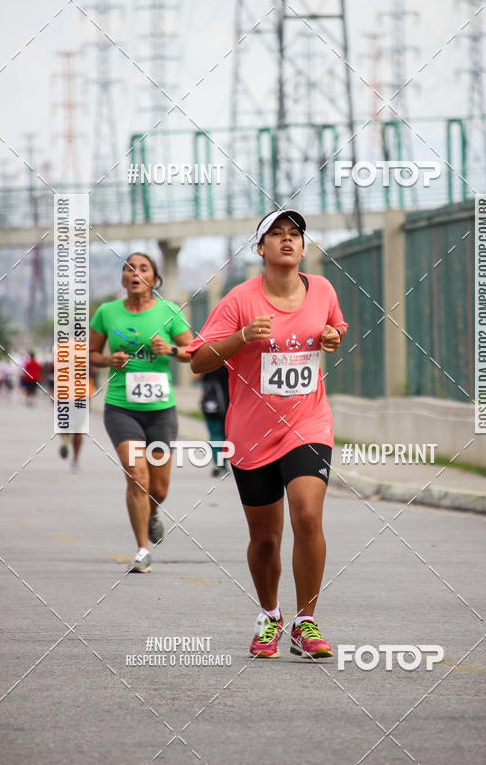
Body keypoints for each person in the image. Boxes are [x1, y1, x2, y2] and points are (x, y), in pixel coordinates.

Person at [188, 210, 347, 659]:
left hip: (308, 423)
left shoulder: (323, 290)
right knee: (265, 539)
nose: (286, 240)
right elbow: (200, 361)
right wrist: (240, 337)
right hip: (252, 434)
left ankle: (306, 621)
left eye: (294, 234)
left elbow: (335, 327)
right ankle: (270, 614)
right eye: (276, 234)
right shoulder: (239, 300)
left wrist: (333, 336)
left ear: (303, 246)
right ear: (260, 248)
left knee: (308, 515)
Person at [89, 252, 192, 573]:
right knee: (137, 476)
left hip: (161, 411)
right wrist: (109, 361)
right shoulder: (107, 312)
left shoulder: (169, 311)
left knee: (158, 488)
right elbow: (91, 354)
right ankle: (142, 550)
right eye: (129, 268)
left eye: (143, 268)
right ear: (122, 279)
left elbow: (195, 352)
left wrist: (172, 350)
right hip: (121, 408)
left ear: (155, 278)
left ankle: (152, 513)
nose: (135, 273)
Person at [199, 364, 230, 476]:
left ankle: (219, 464)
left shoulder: (208, 358)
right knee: (223, 435)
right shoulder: (230, 359)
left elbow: (196, 376)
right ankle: (221, 464)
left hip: (211, 402)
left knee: (216, 435)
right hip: (226, 402)